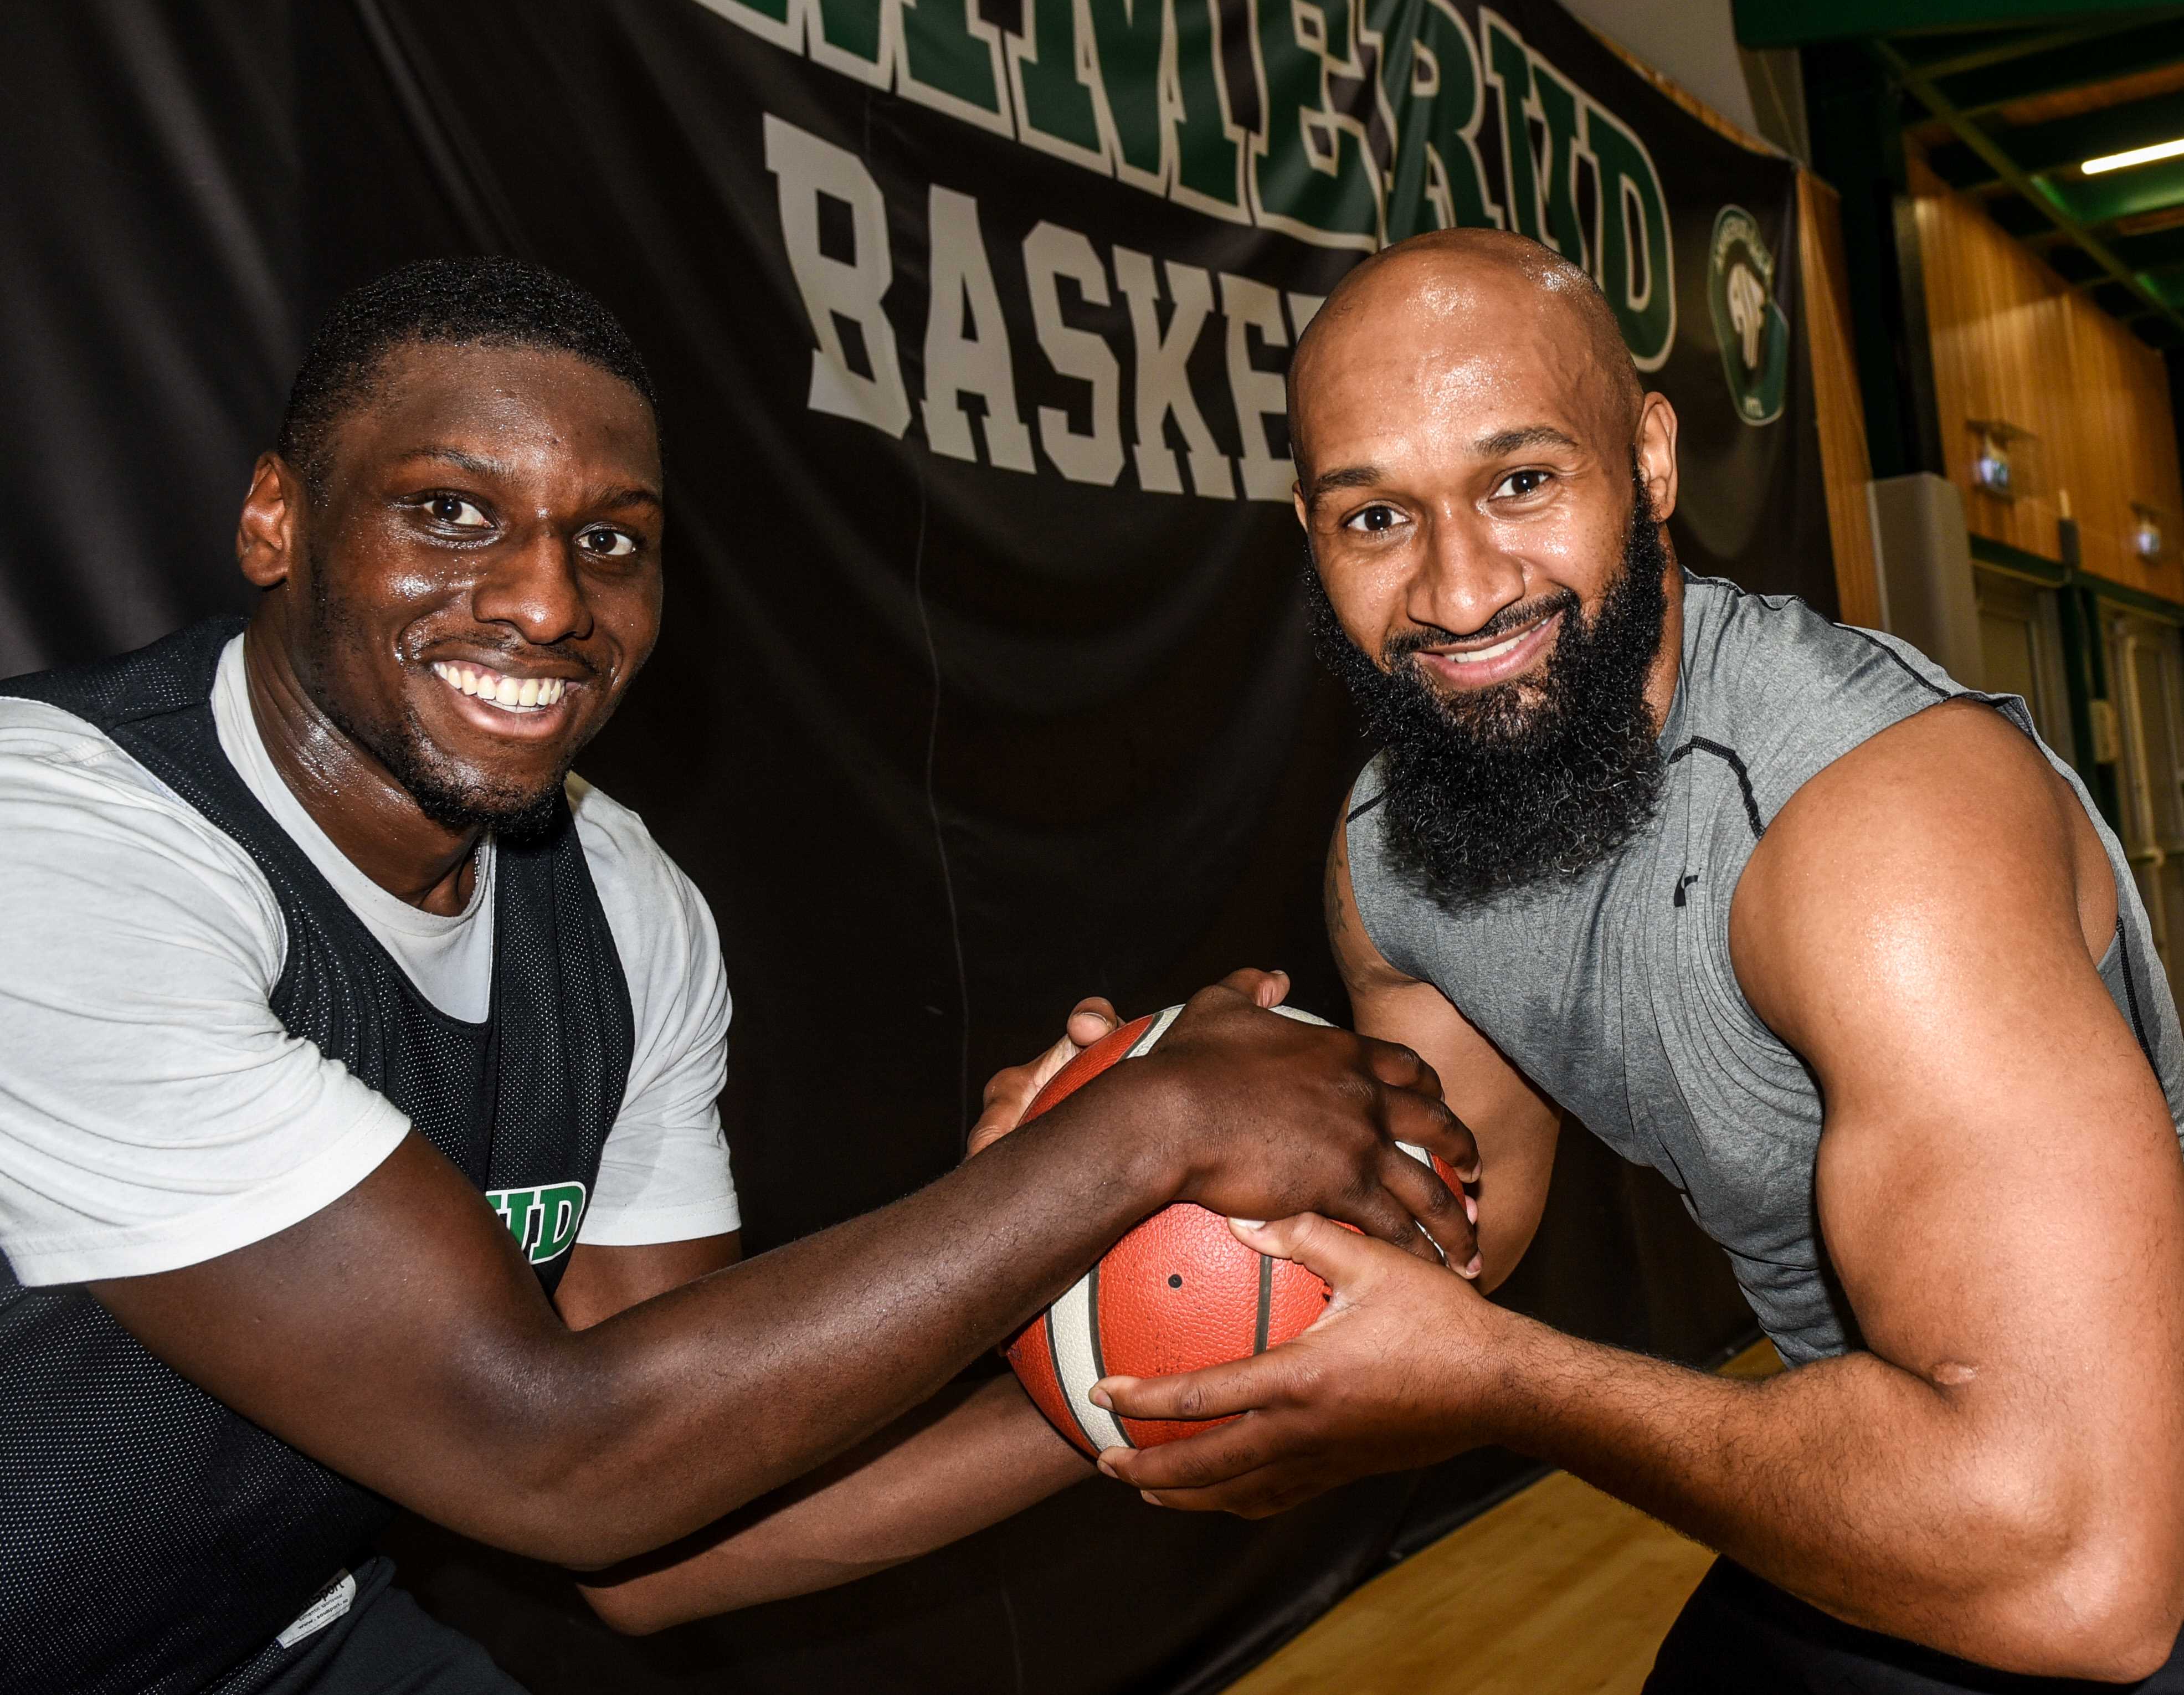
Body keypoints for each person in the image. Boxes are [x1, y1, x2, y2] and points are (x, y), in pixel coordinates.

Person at [0, 257, 1476, 1695]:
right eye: (450, 512)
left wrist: (1189, 1376)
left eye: (611, 539)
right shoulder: (58, 845)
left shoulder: (621, 906)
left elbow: (660, 1535)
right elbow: (549, 1454)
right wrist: (1147, 1133)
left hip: (278, 1642)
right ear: (276, 518)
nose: (543, 600)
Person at [985, 228, 2184, 1690]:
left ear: (1653, 458)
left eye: (1520, 481)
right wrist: (1099, 1183)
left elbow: (2091, 1581)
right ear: (1309, 528)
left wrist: (1501, 1390)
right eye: (1377, 518)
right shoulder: (1403, 851)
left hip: (2118, 1501)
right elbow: (1437, 1237)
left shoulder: (1874, 835)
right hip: (1931, 1474)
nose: (1461, 587)